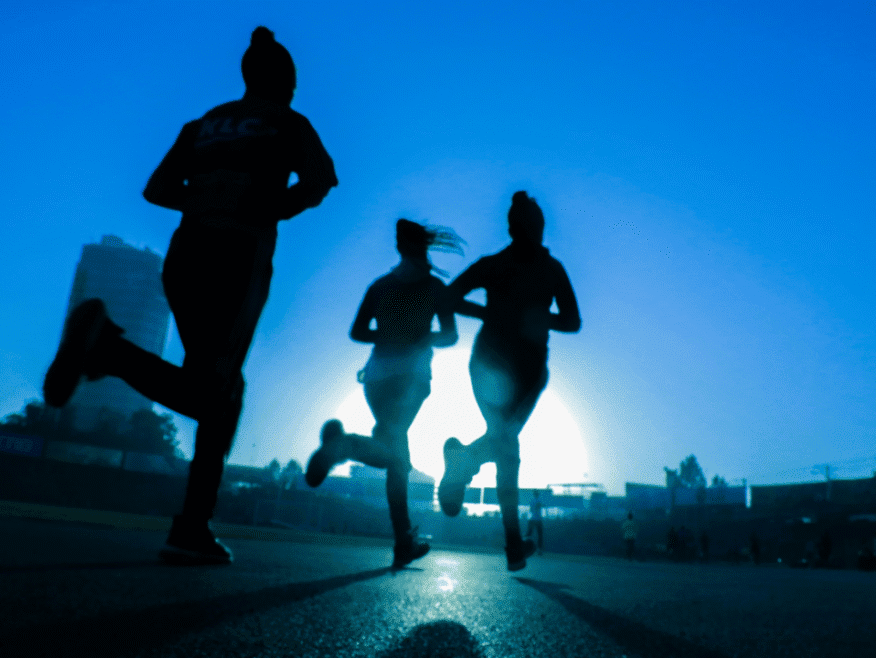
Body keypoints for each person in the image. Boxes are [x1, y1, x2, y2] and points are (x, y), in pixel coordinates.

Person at [42, 27, 337, 565]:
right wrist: (267, 206)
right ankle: (108, 351)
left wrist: (204, 197)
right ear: (286, 81)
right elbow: (322, 180)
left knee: (221, 386)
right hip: (238, 257)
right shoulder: (288, 122)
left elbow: (155, 189)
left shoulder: (203, 125)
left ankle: (192, 524)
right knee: (216, 390)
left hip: (186, 255)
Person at [436, 191, 581, 571]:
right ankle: (512, 543)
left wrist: (507, 315)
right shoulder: (539, 269)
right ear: (522, 228)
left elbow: (572, 321)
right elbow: (448, 298)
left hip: (521, 375)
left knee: (505, 444)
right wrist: (498, 313)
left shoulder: (520, 267)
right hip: (501, 370)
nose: (535, 235)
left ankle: (463, 462)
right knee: (507, 446)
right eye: (532, 228)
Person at [304, 219, 462, 568]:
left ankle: (403, 540)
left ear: (398, 247)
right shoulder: (435, 288)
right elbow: (451, 336)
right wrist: (421, 337)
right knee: (396, 457)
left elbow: (358, 331)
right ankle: (344, 446)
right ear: (423, 247)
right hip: (411, 379)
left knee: (397, 459)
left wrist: (388, 335)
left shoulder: (380, 286)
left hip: (375, 379)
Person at [524, 489, 545, 555]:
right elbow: (540, 505)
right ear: (537, 494)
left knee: (529, 534)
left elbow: (530, 510)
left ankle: (522, 546)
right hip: (538, 520)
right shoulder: (538, 500)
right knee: (540, 535)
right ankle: (539, 550)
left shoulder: (531, 501)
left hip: (532, 519)